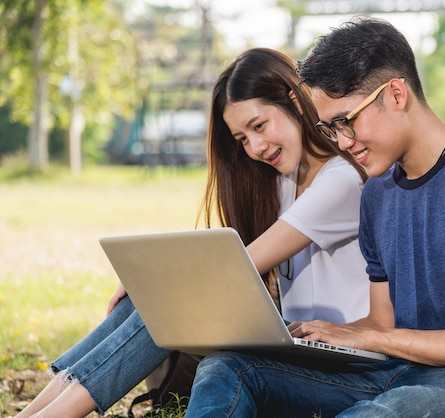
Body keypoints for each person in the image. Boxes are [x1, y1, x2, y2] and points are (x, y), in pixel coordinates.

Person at [185, 16, 445, 418]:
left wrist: (379, 340)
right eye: (329, 129)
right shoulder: (378, 191)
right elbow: (382, 320)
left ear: (396, 94)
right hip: (392, 371)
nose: (342, 141)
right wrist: (330, 338)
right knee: (226, 369)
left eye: (347, 121)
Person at [15, 48, 370, 418]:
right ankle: (34, 413)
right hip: (297, 342)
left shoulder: (341, 180)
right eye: (242, 139)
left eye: (259, 126)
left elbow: (235, 269)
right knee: (149, 298)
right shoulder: (285, 183)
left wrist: (157, 282)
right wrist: (147, 283)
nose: (256, 147)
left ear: (295, 102)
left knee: (172, 297)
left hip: (343, 360)